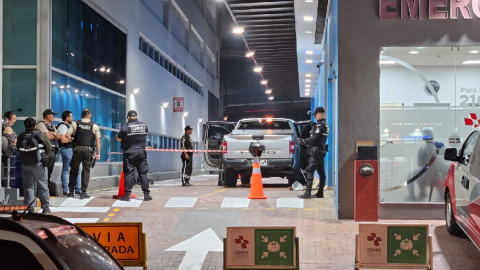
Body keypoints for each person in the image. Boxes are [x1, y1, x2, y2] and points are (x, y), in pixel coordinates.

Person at [16, 117, 52, 213]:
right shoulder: (40, 135)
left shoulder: (21, 136)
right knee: (42, 186)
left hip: (25, 164)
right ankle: (45, 208)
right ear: (35, 125)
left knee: (28, 187)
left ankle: (30, 208)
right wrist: (45, 157)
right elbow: (49, 147)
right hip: (39, 164)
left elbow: (17, 147)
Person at [116, 110, 152, 201]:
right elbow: (145, 135)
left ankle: (127, 195)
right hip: (141, 152)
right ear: (136, 116)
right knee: (143, 173)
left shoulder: (126, 126)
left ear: (128, 117)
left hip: (129, 153)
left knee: (129, 173)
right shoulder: (144, 125)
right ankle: (146, 194)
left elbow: (118, 139)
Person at [65, 108, 101, 199]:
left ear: (82, 115)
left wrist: (74, 140)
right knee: (86, 171)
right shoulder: (94, 126)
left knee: (74, 170)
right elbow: (98, 142)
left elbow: (66, 135)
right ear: (90, 115)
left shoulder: (75, 124)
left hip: (77, 149)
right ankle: (83, 192)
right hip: (88, 150)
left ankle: (71, 191)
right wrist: (98, 153)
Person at [297, 107, 329, 199]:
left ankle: (307, 193)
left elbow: (314, 138)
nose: (315, 117)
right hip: (321, 151)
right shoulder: (325, 125)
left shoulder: (320, 126)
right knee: (321, 172)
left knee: (309, 170)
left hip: (316, 152)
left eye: (315, 115)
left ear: (319, 114)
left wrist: (304, 141)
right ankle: (320, 192)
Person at [57, 111, 81, 196]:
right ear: (67, 117)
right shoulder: (63, 126)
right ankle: (65, 190)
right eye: (71, 116)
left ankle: (77, 189)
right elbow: (63, 140)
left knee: (77, 169)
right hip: (67, 149)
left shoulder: (70, 126)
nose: (72, 118)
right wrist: (72, 139)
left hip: (72, 149)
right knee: (66, 170)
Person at [36, 109, 61, 189]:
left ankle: (46, 188)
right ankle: (42, 189)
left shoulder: (52, 126)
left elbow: (59, 136)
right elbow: (46, 137)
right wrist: (53, 135)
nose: (53, 117)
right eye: (52, 115)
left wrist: (52, 133)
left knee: (49, 171)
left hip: (52, 150)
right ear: (48, 115)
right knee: (43, 171)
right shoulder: (41, 124)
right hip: (44, 151)